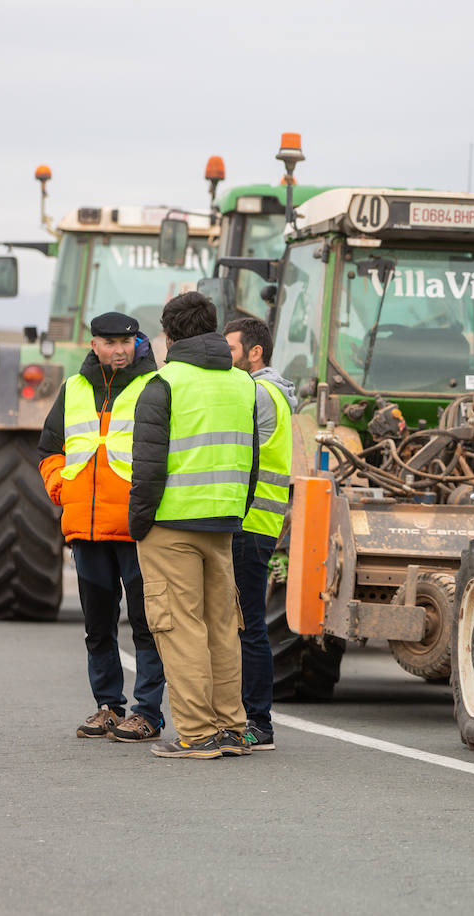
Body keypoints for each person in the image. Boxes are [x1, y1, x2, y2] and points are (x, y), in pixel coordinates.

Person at [130, 292, 258, 760]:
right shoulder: (244, 385)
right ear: (213, 329)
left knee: (179, 627)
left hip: (170, 523)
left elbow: (147, 468)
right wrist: (234, 512)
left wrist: (138, 525)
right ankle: (230, 728)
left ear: (169, 334)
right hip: (222, 522)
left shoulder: (163, 384)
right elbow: (253, 461)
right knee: (223, 628)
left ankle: (197, 735)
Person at [38, 311, 165, 742]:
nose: (118, 350)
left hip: (136, 528)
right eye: (109, 342)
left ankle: (147, 713)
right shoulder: (73, 388)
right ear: (94, 345)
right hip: (85, 530)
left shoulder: (154, 386)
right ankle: (108, 707)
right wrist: (62, 487)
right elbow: (49, 449)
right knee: (98, 626)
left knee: (146, 624)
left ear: (136, 344)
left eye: (125, 343)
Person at [224, 316, 296, 751]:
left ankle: (258, 722)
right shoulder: (271, 391)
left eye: (230, 350)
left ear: (255, 353)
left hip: (249, 523)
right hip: (256, 522)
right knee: (243, 623)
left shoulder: (255, 392)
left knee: (249, 624)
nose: (223, 358)